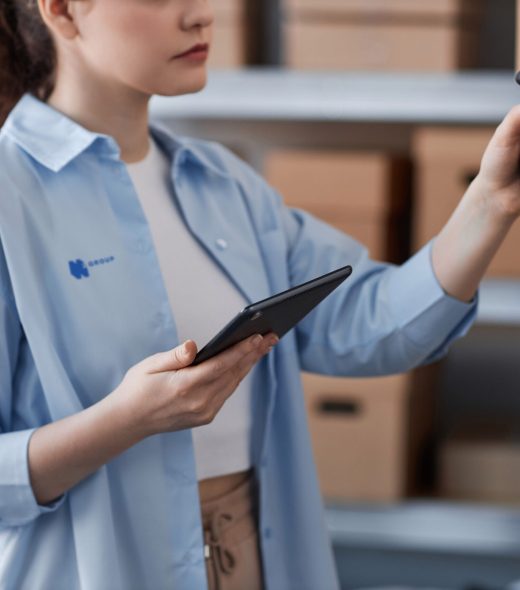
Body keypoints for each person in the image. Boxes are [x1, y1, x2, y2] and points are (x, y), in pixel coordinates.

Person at [0, 1, 519, 589]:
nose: (200, 16)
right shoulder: (9, 196)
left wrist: (492, 200)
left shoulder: (224, 183)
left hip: (252, 559)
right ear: (63, 11)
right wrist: (125, 422)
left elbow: (374, 322)